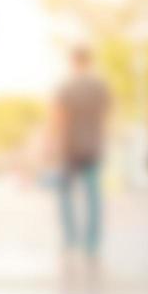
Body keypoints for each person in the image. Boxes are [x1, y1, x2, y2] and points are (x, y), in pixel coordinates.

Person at [51, 45, 111, 264]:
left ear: (73, 62)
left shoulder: (66, 87)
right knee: (93, 196)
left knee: (66, 194)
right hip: (93, 146)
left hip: (70, 148)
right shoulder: (100, 87)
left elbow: (59, 119)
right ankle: (92, 243)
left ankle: (70, 238)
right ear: (89, 61)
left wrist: (55, 144)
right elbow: (106, 117)